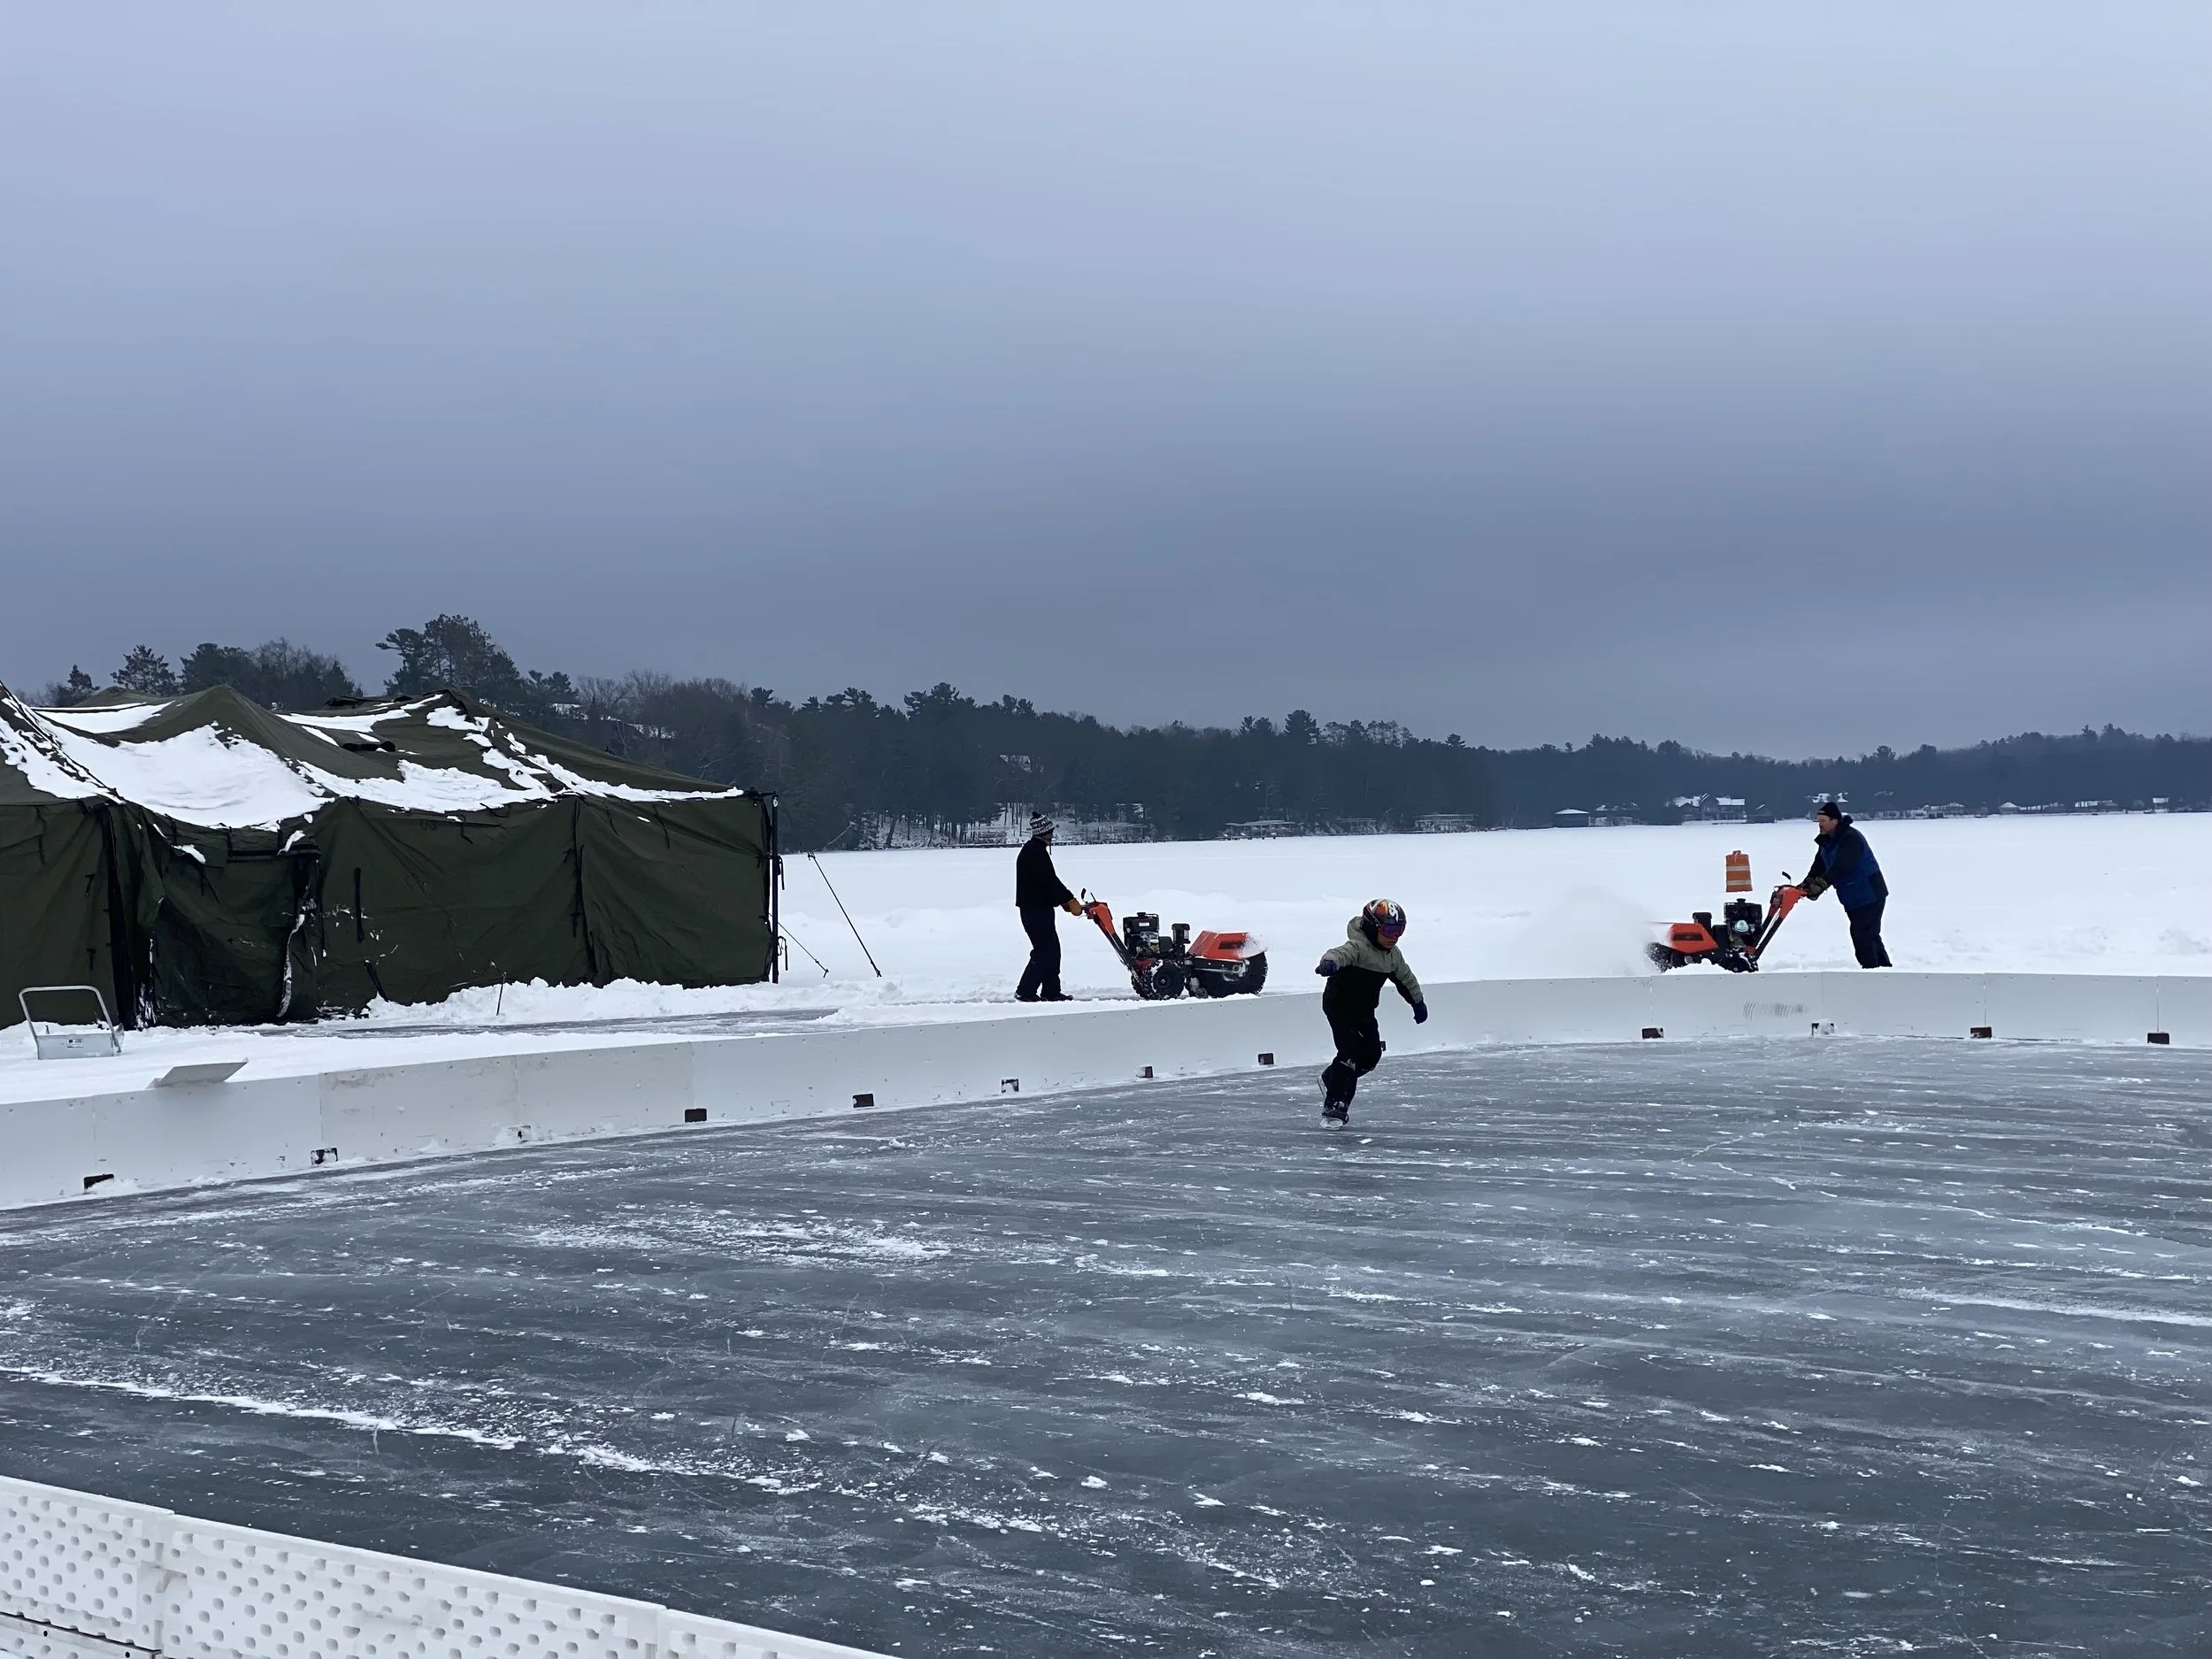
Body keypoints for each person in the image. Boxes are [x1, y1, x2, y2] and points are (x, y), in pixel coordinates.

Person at [1314, 899, 1428, 1124]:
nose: (1395, 937)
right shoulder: (1358, 947)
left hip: (1364, 1011)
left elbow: (1406, 978)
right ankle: (1335, 1106)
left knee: (1371, 1055)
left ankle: (1332, 1078)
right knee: (1350, 1053)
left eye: (1400, 930)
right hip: (1339, 1006)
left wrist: (1418, 1002)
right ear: (1372, 926)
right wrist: (1329, 963)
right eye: (1389, 930)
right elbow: (1338, 953)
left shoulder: (1393, 956)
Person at [1801, 800, 1891, 968]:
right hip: (1852, 896)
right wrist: (1806, 885)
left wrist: (1821, 885)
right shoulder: (1826, 841)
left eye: (1823, 821)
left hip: (1870, 893)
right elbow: (1819, 866)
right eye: (1819, 821)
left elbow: (1841, 866)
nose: (1819, 825)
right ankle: (1883, 971)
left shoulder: (1851, 838)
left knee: (1863, 936)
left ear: (1835, 820)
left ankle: (1872, 971)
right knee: (1869, 935)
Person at [1014, 813, 1083, 1002]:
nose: (1052, 835)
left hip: (1040, 908)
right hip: (1034, 910)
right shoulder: (1034, 853)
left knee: (1052, 950)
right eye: (1050, 832)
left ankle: (1051, 991)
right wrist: (1068, 899)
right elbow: (1048, 881)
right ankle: (1025, 991)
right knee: (1044, 951)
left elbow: (1046, 883)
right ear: (1044, 833)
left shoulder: (1035, 850)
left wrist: (1063, 900)